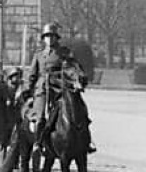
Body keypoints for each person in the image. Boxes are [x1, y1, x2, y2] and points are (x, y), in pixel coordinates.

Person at [21, 23, 95, 154]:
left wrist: (79, 81)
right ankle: (38, 143)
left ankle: (87, 141)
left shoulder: (64, 52)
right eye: (47, 36)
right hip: (44, 88)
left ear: (56, 38)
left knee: (79, 109)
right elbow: (32, 75)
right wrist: (27, 90)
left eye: (52, 36)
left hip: (61, 87)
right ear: (44, 39)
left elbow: (74, 67)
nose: (50, 39)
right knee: (41, 114)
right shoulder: (39, 55)